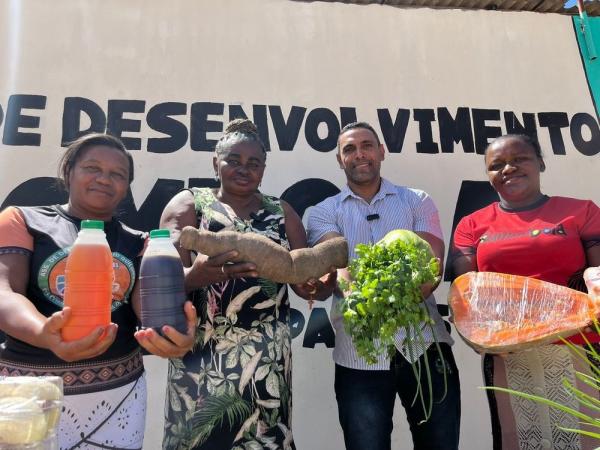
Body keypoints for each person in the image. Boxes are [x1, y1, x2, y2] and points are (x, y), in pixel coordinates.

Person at [0, 133, 196, 450]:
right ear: (69, 172)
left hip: (118, 396)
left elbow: (148, 307)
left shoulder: (139, 242)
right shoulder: (22, 220)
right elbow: (4, 292)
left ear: (127, 186)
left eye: (117, 174)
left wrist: (169, 335)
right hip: (30, 394)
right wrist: (44, 333)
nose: (104, 179)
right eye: (92, 168)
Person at [160, 119, 331, 450]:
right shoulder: (189, 205)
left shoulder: (281, 212)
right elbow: (159, 281)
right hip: (203, 361)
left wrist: (320, 282)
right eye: (234, 160)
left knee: (265, 440)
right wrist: (196, 276)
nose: (244, 169)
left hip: (268, 361)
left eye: (254, 164)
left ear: (264, 170)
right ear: (215, 162)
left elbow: (302, 280)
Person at [306, 122, 461, 450]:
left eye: (366, 145)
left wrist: (397, 297)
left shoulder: (416, 200)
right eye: (349, 149)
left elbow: (430, 265)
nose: (359, 153)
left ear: (381, 152)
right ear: (339, 159)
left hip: (425, 347)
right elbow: (338, 261)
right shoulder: (323, 212)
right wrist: (360, 297)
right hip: (358, 358)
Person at [451, 134, 600, 450]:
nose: (508, 169)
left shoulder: (581, 211)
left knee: (587, 439)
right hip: (508, 355)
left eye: (519, 159)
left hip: (579, 348)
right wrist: (475, 328)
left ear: (541, 163)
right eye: (497, 165)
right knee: (517, 441)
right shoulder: (471, 225)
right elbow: (466, 291)